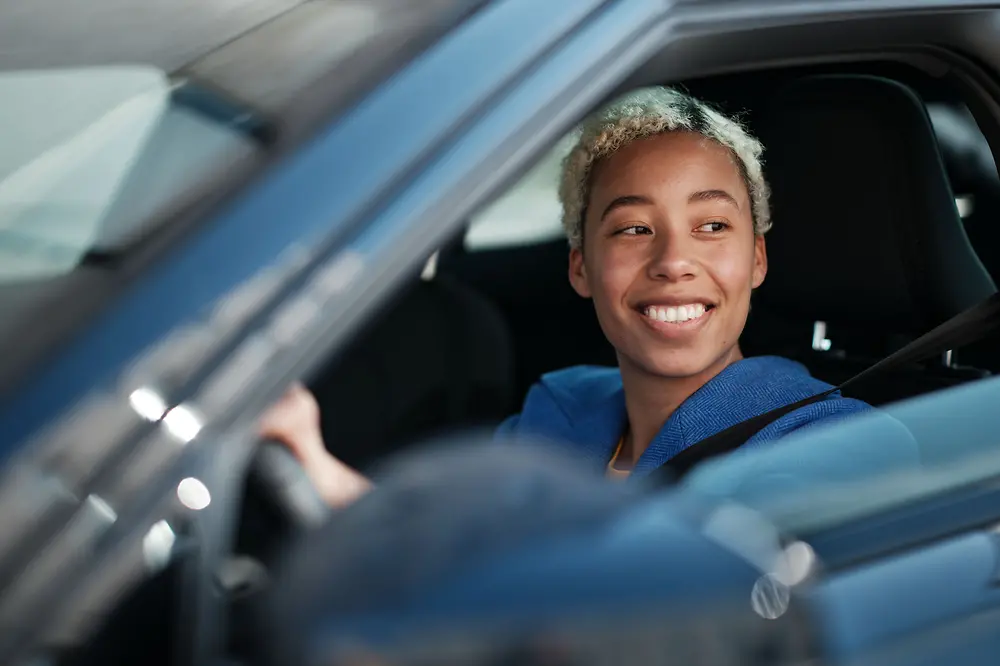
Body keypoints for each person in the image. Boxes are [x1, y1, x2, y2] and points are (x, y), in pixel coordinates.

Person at [260, 86, 877, 508]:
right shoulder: (556, 414)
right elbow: (443, 548)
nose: (672, 263)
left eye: (712, 227)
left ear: (757, 260)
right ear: (581, 267)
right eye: (634, 229)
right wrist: (312, 462)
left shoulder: (830, 448)